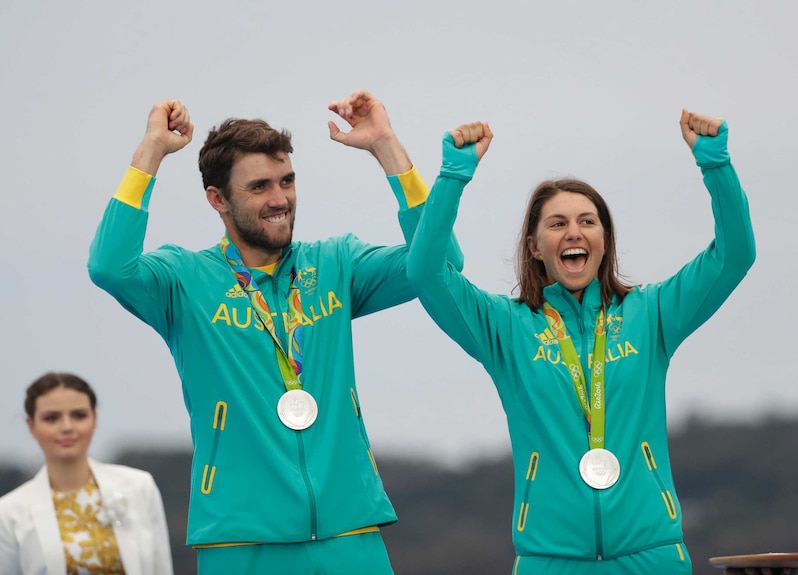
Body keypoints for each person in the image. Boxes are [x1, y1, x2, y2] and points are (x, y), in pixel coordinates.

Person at [87, 90, 462, 574]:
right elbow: (109, 267)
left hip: (349, 530)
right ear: (217, 199)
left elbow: (441, 263)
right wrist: (152, 152)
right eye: (260, 186)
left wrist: (387, 147)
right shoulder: (183, 281)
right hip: (240, 538)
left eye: (286, 181)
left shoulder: (336, 264)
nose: (280, 199)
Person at [406, 111, 756, 574]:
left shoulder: (650, 314)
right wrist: (453, 176)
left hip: (651, 556)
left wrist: (716, 167)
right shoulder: (504, 329)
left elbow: (734, 255)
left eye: (587, 221)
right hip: (550, 560)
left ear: (605, 241)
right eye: (556, 224)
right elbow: (426, 272)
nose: (574, 232)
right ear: (534, 247)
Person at [0, 372, 174, 575]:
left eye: (79, 415)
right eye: (51, 418)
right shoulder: (9, 513)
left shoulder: (139, 487)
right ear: (31, 425)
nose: (67, 427)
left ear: (94, 419)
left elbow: (161, 569)